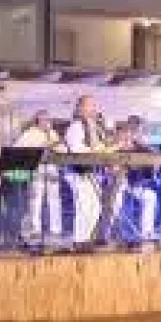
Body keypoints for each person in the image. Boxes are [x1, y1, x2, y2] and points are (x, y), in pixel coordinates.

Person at [64, 95, 111, 247]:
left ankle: (88, 238)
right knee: (84, 206)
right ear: (81, 108)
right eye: (90, 105)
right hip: (79, 172)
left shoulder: (96, 127)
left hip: (95, 172)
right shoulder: (76, 126)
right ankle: (79, 240)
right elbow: (76, 148)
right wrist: (95, 150)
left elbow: (103, 145)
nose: (94, 108)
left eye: (93, 105)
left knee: (96, 206)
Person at [14, 109, 63, 242]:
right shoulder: (29, 134)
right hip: (37, 169)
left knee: (55, 198)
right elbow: (17, 148)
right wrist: (40, 147)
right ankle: (35, 229)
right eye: (44, 120)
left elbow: (62, 149)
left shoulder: (53, 133)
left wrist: (56, 146)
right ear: (37, 121)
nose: (47, 122)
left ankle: (56, 228)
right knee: (36, 200)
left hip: (52, 168)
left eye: (48, 120)